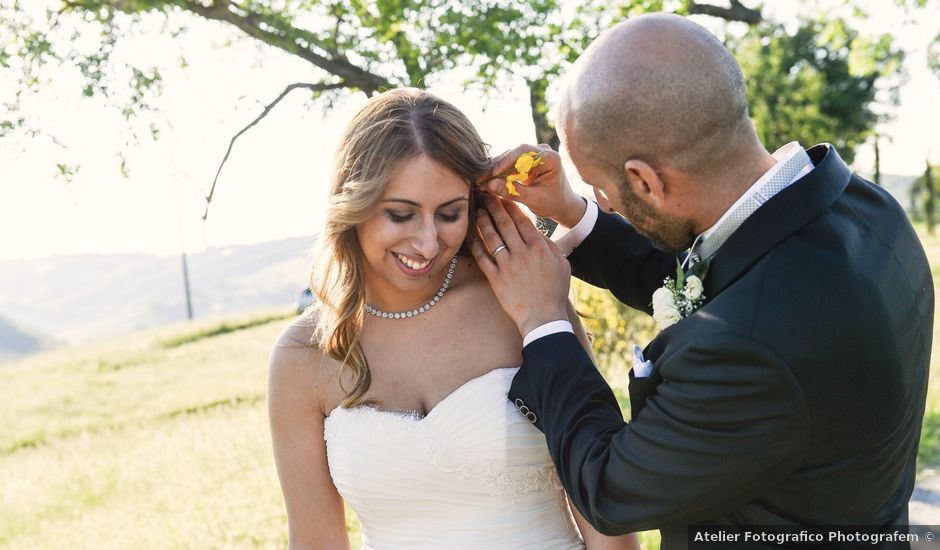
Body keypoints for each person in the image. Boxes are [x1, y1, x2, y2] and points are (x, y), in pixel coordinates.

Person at [471, 13, 933, 550]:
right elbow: (721, 283)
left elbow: (610, 487)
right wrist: (574, 211)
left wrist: (543, 320)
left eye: (599, 187)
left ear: (645, 180)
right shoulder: (865, 210)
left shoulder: (746, 350)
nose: (604, 200)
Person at [267, 88, 640, 549]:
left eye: (449, 213)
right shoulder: (302, 355)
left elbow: (602, 504)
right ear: (353, 205)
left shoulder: (524, 299)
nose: (426, 243)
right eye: (401, 215)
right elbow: (314, 541)